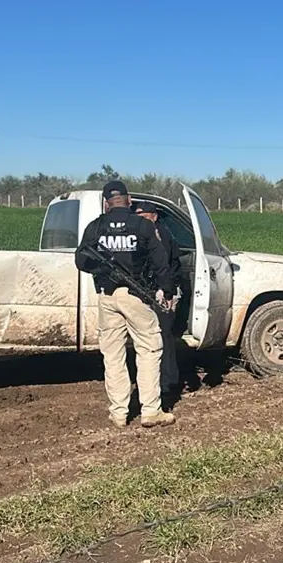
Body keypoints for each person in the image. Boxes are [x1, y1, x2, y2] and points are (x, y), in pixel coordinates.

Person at [75, 180, 176, 428]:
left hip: (107, 298)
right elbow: (160, 260)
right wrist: (168, 290)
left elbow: (81, 259)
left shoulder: (96, 226)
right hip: (136, 296)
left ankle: (119, 413)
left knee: (113, 355)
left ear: (106, 202)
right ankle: (151, 410)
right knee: (149, 350)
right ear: (128, 200)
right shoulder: (142, 224)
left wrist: (102, 269)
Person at [134, 200, 184, 407]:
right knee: (162, 336)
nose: (140, 221)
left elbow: (167, 267)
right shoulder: (143, 234)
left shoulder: (161, 235)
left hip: (163, 292)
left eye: (143, 217)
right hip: (152, 291)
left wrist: (167, 292)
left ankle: (166, 381)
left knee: (162, 336)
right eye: (137, 217)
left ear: (154, 217)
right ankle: (169, 378)